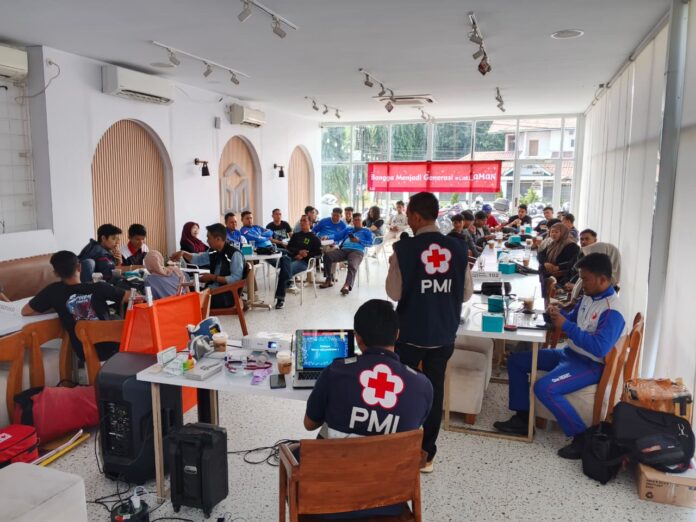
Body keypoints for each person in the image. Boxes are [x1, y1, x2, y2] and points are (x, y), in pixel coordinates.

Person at [303, 299, 433, 518]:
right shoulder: (422, 386)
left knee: (295, 454)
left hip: (328, 502)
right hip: (389, 503)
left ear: (358, 338)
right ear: (397, 334)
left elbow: (309, 424)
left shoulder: (335, 373)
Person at [493, 253, 625, 459]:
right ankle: (522, 418)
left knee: (545, 388)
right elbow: (572, 318)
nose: (582, 284)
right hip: (570, 353)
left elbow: (599, 348)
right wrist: (556, 315)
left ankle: (581, 437)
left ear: (603, 279)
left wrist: (566, 326)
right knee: (517, 361)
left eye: (586, 279)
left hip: (590, 364)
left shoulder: (612, 310)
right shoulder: (589, 296)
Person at [385, 192, 473, 473]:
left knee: (403, 390)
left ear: (416, 216)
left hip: (410, 333)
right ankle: (427, 454)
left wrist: (395, 267)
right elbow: (466, 294)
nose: (408, 221)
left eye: (409, 216)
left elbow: (393, 293)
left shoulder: (405, 250)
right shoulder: (458, 248)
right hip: (444, 333)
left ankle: (399, 449)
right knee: (434, 391)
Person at [21, 250, 130, 362]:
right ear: (79, 267)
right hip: (114, 349)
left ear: (56, 273)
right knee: (117, 318)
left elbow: (26, 311)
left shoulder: (53, 291)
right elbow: (131, 297)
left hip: (84, 353)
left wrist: (55, 306)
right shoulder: (100, 287)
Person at [171, 224, 244, 309]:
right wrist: (183, 253)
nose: (207, 241)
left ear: (218, 239)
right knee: (182, 290)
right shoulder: (214, 251)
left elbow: (235, 279)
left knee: (185, 299)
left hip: (224, 296)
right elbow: (198, 259)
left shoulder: (234, 254)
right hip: (212, 290)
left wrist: (212, 277)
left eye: (209, 238)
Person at [240, 211, 295, 309]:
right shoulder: (243, 231)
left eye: (251, 218)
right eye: (247, 218)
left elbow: (270, 232)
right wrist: (264, 237)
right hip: (263, 251)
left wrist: (262, 236)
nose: (250, 220)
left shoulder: (257, 227)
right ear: (242, 220)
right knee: (285, 261)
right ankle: (286, 284)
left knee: (289, 255)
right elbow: (257, 239)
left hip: (273, 248)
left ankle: (283, 290)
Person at [320, 213, 373, 295]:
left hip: (357, 251)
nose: (357, 221)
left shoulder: (366, 231)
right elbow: (337, 236)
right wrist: (328, 237)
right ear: (353, 221)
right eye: (355, 220)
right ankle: (329, 279)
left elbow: (370, 244)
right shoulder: (349, 229)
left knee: (352, 265)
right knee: (327, 256)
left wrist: (359, 241)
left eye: (359, 220)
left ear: (362, 220)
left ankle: (347, 285)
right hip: (344, 250)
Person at [286, 214, 322, 279]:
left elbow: (318, 254)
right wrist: (298, 252)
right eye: (301, 221)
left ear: (310, 223)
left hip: (304, 262)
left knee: (287, 269)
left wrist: (306, 255)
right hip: (292, 258)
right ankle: (287, 282)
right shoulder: (296, 235)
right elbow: (289, 248)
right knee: (283, 265)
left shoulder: (314, 238)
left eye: (304, 220)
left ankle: (287, 283)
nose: (302, 222)